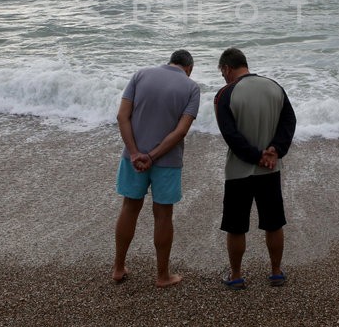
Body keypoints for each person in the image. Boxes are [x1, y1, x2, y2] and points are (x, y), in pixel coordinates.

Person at [112, 49, 200, 287]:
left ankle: (118, 268)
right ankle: (162, 275)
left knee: (129, 208)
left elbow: (122, 117)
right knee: (163, 215)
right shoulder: (191, 88)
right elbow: (181, 131)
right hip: (167, 162)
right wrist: (152, 156)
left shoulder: (140, 75)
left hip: (133, 158)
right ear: (189, 68)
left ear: (170, 61)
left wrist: (134, 153)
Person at [213, 47, 296, 290]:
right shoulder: (274, 87)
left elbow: (230, 134)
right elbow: (289, 121)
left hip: (239, 171)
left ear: (227, 68)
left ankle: (236, 275)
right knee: (274, 223)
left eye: (223, 73)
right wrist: (275, 150)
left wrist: (255, 156)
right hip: (270, 169)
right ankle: (276, 272)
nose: (224, 78)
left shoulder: (225, 94)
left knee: (236, 226)